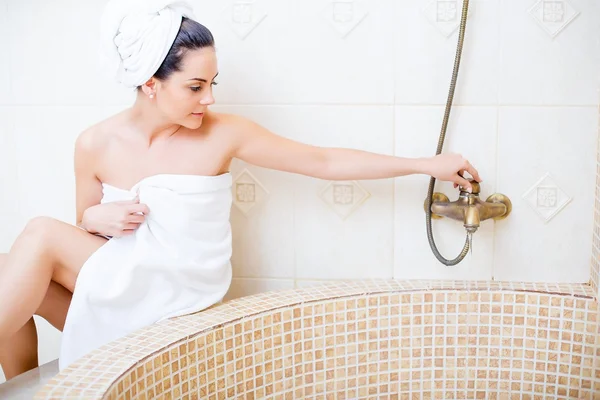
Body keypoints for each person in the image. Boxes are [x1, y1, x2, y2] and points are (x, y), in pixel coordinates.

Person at [0, 0, 481, 379]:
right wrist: (90, 219)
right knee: (9, 270)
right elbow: (86, 228)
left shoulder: (223, 133)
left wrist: (425, 164)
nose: (209, 98)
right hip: (125, 289)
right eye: (194, 87)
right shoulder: (93, 143)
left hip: (177, 300)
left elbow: (324, 161)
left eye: (212, 82)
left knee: (40, 234)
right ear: (150, 83)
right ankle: (20, 388)